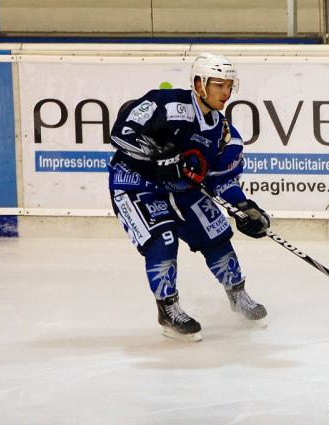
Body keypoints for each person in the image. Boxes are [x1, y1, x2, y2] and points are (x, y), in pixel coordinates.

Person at [107, 53, 271, 342]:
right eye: (218, 85)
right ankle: (168, 309)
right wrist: (157, 156)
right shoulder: (167, 104)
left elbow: (222, 180)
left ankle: (238, 295)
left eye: (229, 85)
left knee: (216, 234)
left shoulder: (225, 136)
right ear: (199, 84)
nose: (225, 92)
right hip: (137, 184)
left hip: (183, 188)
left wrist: (244, 207)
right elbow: (122, 132)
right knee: (163, 238)